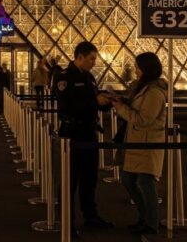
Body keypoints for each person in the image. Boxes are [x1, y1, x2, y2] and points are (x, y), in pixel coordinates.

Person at [57, 41, 115, 236]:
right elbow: (67, 106)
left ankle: (90, 215)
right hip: (72, 134)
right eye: (91, 58)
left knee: (90, 178)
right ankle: (67, 220)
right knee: (70, 180)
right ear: (79, 57)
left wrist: (107, 102)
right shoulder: (64, 77)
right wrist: (94, 101)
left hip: (89, 133)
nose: (94, 62)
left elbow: (93, 104)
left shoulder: (89, 77)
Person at [111, 52, 167, 236]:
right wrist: (123, 102)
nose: (134, 70)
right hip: (136, 142)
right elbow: (138, 109)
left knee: (145, 182)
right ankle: (144, 217)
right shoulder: (143, 88)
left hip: (147, 143)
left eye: (137, 67)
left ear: (145, 69)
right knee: (128, 179)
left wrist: (121, 108)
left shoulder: (155, 92)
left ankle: (151, 223)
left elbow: (143, 119)